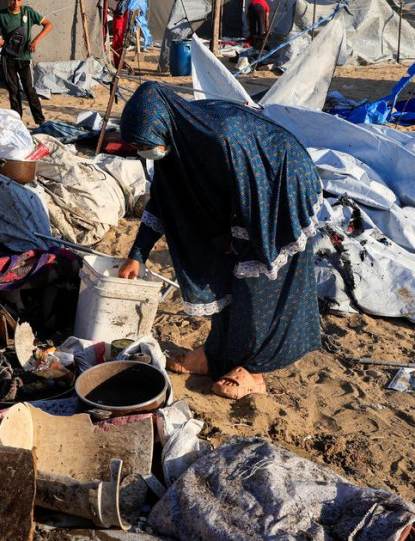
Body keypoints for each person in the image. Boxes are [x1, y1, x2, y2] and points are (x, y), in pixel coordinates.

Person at [116, 82, 323, 400]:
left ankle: (254, 369)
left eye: (148, 144)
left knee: (259, 285)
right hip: (242, 198)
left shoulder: (219, 136)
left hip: (280, 189)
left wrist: (235, 239)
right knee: (222, 275)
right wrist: (137, 254)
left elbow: (250, 191)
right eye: (143, 146)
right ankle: (216, 354)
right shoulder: (178, 138)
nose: (149, 151)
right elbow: (164, 199)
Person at [0, 0, 54, 125]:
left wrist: (35, 41)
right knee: (13, 91)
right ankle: (17, 123)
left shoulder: (28, 12)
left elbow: (48, 24)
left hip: (25, 58)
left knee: (29, 90)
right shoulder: (1, 15)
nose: (15, 3)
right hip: (8, 58)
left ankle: (40, 122)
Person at [109, 0, 130, 69]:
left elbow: (120, 15)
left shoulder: (122, 3)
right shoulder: (121, 3)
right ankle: (119, 63)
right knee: (117, 45)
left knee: (117, 45)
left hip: (119, 26)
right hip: (118, 26)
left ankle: (119, 63)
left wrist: (113, 12)